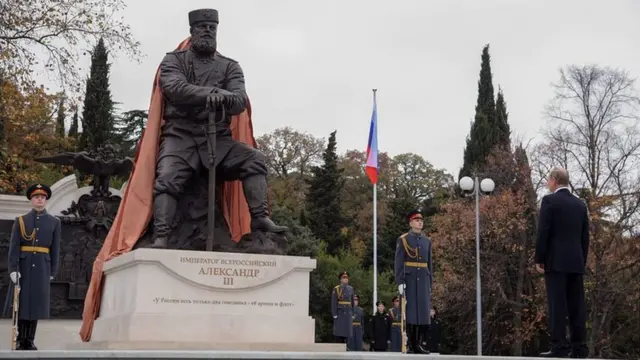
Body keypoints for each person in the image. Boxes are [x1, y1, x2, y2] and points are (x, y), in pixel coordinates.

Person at [150, 8, 286, 248]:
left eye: (212, 28)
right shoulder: (174, 60)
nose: (207, 31)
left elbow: (239, 100)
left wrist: (223, 98)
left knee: (254, 158)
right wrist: (212, 93)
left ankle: (259, 219)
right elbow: (175, 88)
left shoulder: (229, 66)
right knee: (168, 177)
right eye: (202, 28)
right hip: (180, 135)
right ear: (192, 31)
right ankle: (161, 236)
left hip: (218, 139)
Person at [535, 167, 589, 358]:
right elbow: (585, 238)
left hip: (555, 261)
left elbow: (544, 232)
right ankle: (580, 346)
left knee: (557, 305)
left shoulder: (549, 201)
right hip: (576, 262)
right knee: (576, 305)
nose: (547, 183)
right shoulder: (580, 205)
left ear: (555, 180)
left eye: (548, 180)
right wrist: (582, 260)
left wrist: (539, 258)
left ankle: (559, 346)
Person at [6, 184, 61, 350]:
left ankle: (30, 339)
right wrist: (13, 269)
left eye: (43, 197)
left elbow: (56, 249)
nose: (40, 199)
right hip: (23, 265)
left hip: (42, 267)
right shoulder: (21, 221)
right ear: (31, 200)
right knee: (22, 303)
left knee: (36, 303)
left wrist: (52, 271)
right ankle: (21, 339)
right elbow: (14, 247)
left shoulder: (54, 222)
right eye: (37, 197)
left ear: (46, 200)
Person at [395, 209, 433, 354]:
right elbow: (399, 262)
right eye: (417, 220)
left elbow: (430, 263)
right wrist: (400, 281)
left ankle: (419, 343)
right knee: (410, 313)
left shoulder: (427, 241)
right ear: (411, 223)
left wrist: (430, 281)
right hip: (409, 279)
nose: (420, 222)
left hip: (423, 279)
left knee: (422, 313)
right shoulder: (403, 239)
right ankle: (411, 344)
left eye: (421, 220)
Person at [331, 271, 354, 344]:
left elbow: (352, 302)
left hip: (348, 313)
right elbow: (334, 302)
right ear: (340, 279)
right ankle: (339, 346)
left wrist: (352, 312)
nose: (346, 279)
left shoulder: (351, 288)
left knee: (347, 332)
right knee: (339, 332)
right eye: (344, 278)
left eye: (347, 278)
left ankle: (346, 346)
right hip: (340, 313)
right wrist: (334, 314)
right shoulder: (337, 289)